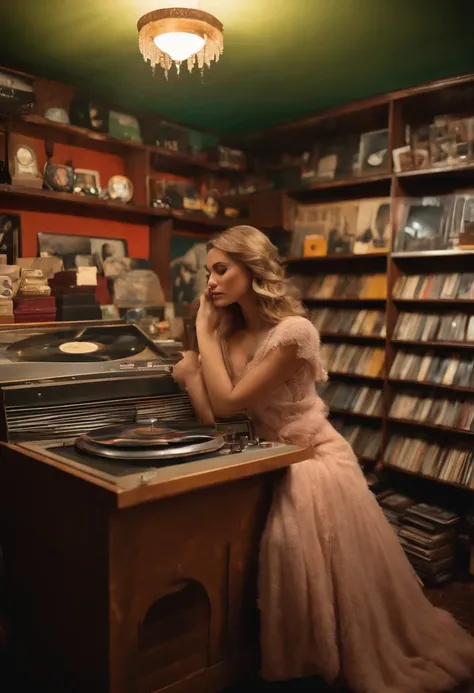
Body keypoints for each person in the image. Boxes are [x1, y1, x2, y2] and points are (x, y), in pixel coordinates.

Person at [171, 225, 474, 693]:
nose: (209, 282)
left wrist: (200, 333)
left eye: (220, 269)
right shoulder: (230, 336)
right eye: (208, 271)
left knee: (303, 556)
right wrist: (193, 375)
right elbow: (214, 417)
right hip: (264, 456)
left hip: (312, 460)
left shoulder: (294, 333)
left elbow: (229, 404)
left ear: (252, 269)